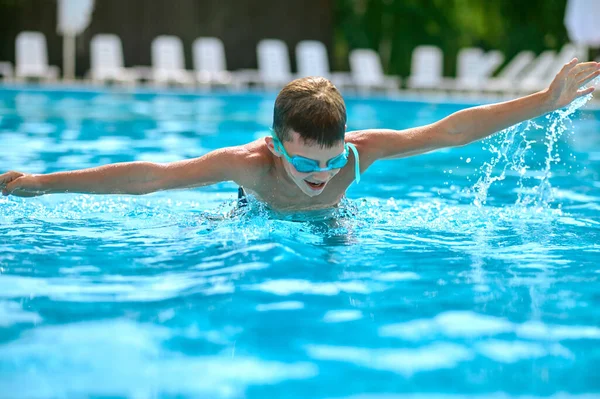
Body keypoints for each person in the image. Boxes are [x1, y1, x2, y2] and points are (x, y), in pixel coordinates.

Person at [1, 60, 599, 211]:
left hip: (333, 232)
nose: (320, 177)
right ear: (274, 144)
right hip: (251, 224)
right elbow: (150, 178)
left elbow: (448, 131)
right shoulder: (247, 165)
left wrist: (545, 103)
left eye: (329, 163)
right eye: (305, 164)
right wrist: (40, 184)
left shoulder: (355, 156)